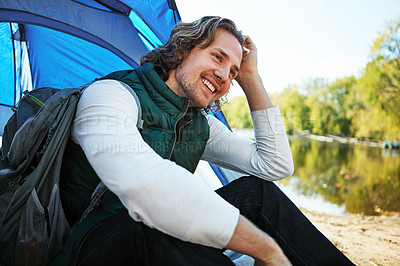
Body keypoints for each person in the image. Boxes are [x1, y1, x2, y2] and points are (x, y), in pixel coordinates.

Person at [51, 16, 354, 265]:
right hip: (92, 247)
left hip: (154, 238)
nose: (224, 75)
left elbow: (274, 165)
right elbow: (142, 186)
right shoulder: (111, 95)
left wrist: (251, 79)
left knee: (257, 192)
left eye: (232, 71)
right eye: (217, 57)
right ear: (182, 50)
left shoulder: (199, 124)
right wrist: (265, 248)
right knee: (149, 224)